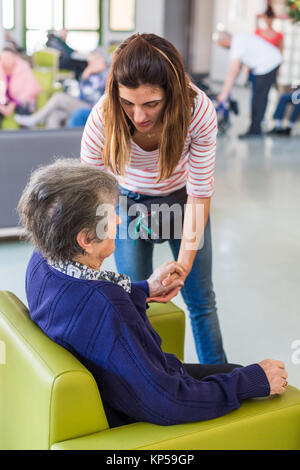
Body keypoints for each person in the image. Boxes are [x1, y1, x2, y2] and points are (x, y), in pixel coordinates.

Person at [17, 158, 288, 428]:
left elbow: (81, 314)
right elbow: (168, 402)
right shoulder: (107, 306)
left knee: (234, 372)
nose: (119, 218)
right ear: (86, 240)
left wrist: (145, 289)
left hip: (123, 388)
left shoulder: (43, 262)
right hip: (141, 410)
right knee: (252, 381)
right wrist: (252, 381)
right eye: (111, 214)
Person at [81, 33, 225, 365]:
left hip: (182, 201)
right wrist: (95, 257)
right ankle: (149, 377)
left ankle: (221, 376)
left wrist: (184, 266)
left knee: (202, 301)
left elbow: (200, 192)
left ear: (171, 94)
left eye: (151, 104)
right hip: (127, 203)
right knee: (134, 299)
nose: (139, 115)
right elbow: (93, 192)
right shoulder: (103, 115)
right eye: (128, 103)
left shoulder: (197, 110)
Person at [15, 47, 110, 129]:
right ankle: (52, 147)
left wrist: (85, 77)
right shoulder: (91, 74)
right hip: (82, 104)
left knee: (59, 97)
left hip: (95, 108)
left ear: (101, 60)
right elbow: (82, 93)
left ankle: (34, 119)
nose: (89, 66)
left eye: (91, 63)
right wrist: (84, 77)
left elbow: (97, 98)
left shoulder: (108, 75)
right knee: (54, 115)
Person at [215, 30, 282, 139]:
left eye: (221, 45)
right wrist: (228, 88)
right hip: (270, 61)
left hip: (267, 65)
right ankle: (255, 128)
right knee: (259, 97)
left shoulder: (236, 44)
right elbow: (238, 68)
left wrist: (224, 93)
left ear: (225, 41)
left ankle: (255, 131)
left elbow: (233, 70)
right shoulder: (240, 38)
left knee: (258, 98)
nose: (223, 48)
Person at [0, 45, 40, 127]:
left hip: (21, 100)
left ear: (15, 58)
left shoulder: (24, 67)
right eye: (3, 58)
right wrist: (1, 107)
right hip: (4, 101)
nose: (5, 61)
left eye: (8, 58)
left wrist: (14, 104)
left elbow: (31, 90)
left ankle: (24, 136)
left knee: (24, 110)